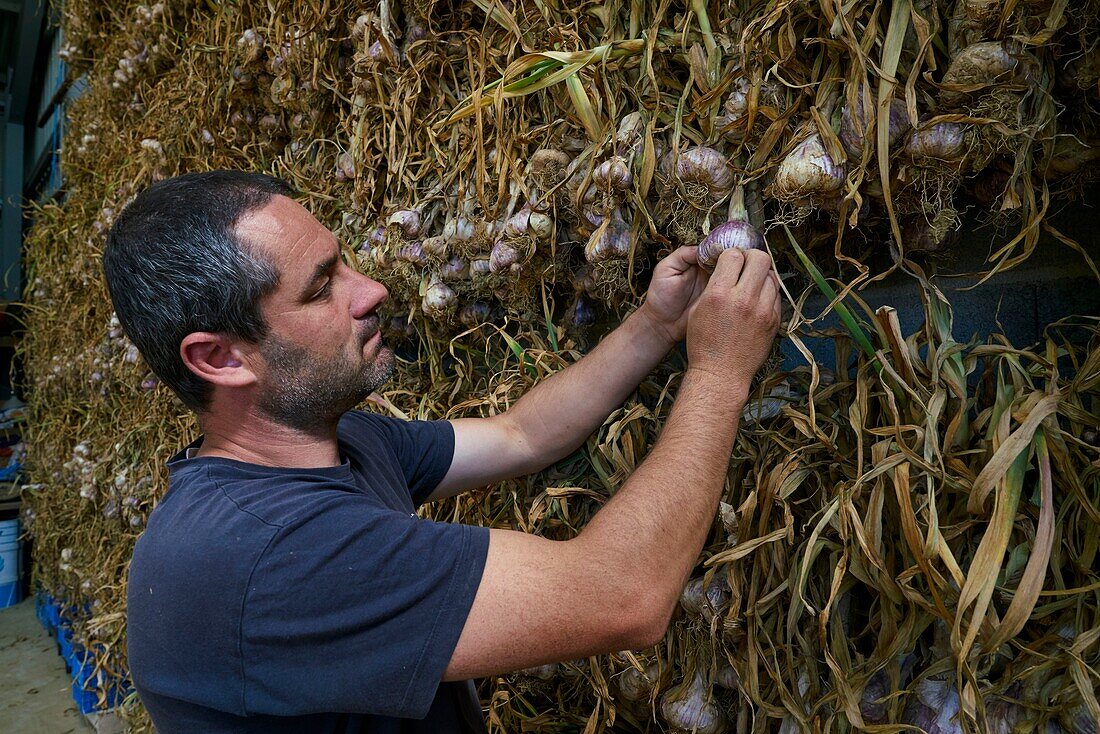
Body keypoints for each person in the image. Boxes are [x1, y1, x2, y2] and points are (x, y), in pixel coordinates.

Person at [103, 170, 781, 733]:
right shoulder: (267, 557)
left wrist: (656, 323)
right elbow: (626, 597)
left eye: (344, 263)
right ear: (220, 358)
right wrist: (719, 375)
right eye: (320, 288)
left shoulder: (335, 443)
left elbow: (523, 434)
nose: (372, 291)